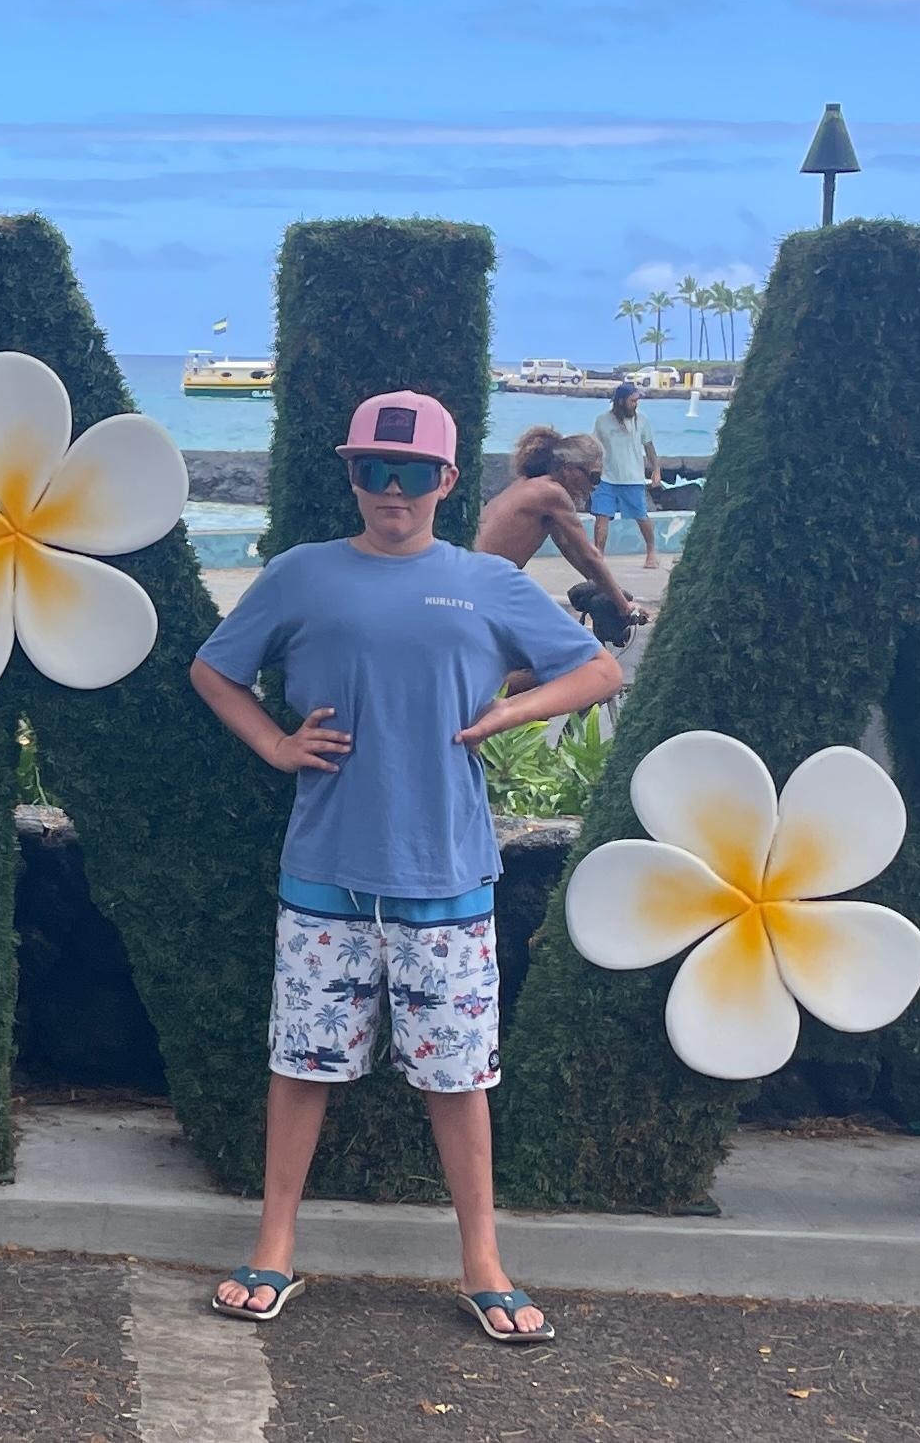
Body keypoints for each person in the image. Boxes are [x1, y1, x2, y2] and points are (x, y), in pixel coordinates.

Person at [189, 391, 624, 1334]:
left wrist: (509, 712)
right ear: (350, 474)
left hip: (450, 880)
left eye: (414, 471)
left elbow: (600, 669)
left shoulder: (486, 581)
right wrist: (273, 744)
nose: (393, 489)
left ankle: (484, 1262)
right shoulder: (303, 574)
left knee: (458, 1081)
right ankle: (274, 1249)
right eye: (373, 470)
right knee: (301, 1067)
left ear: (448, 480)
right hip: (324, 875)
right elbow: (214, 668)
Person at [474, 427, 647, 642]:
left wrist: (613, 593)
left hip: (481, 581)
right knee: (565, 652)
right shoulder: (553, 494)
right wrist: (625, 607)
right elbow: (589, 555)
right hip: (490, 585)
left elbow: (570, 549)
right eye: (594, 477)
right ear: (569, 469)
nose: (595, 487)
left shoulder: (528, 486)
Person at [587, 383, 661, 564]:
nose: (636, 404)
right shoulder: (602, 420)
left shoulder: (642, 420)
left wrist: (656, 471)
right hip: (607, 478)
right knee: (601, 519)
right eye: (632, 401)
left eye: (637, 401)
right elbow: (595, 447)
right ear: (621, 401)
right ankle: (599, 557)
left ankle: (651, 552)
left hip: (633, 478)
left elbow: (649, 448)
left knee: (641, 517)